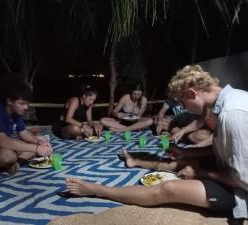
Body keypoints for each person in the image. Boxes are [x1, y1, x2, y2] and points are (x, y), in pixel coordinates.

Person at [65, 65, 248, 219]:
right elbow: (221, 149)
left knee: (169, 188)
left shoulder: (232, 113)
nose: (185, 109)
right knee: (180, 162)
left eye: (183, 104)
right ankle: (136, 161)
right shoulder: (225, 103)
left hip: (241, 191)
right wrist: (188, 153)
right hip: (232, 169)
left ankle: (98, 190)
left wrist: (201, 172)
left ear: (192, 93)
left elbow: (242, 180)